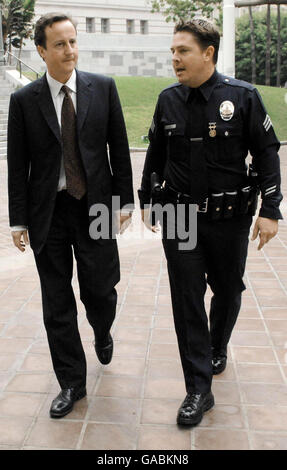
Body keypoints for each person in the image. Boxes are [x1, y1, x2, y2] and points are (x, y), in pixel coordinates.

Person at [138, 18, 282, 426]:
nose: (175, 59)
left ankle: (217, 346)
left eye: (183, 51)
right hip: (179, 214)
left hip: (230, 218)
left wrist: (271, 210)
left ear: (208, 53)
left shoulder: (243, 96)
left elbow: (267, 154)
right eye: (173, 52)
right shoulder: (168, 100)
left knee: (227, 290)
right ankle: (198, 390)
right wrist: (147, 198)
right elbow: (155, 153)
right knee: (186, 300)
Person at [7, 13, 134, 418]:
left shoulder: (103, 88)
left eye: (73, 42)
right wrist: (18, 220)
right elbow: (18, 165)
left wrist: (125, 202)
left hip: (95, 206)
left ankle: (101, 328)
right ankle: (72, 383)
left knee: (100, 288)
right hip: (49, 213)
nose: (70, 51)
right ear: (41, 51)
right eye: (60, 44)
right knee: (56, 303)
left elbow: (119, 147)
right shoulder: (24, 101)